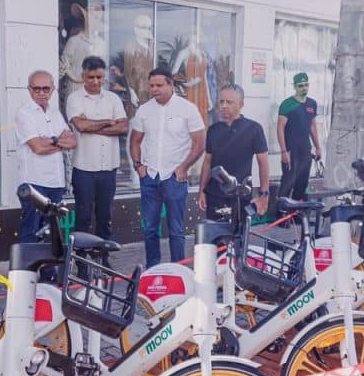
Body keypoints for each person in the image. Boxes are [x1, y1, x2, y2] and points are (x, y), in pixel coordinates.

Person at [129, 67, 205, 267]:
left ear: (171, 84)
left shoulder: (188, 108)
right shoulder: (144, 110)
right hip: (150, 177)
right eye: (152, 85)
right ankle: (153, 269)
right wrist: (139, 166)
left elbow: (199, 143)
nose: (154, 89)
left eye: (159, 85)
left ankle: (177, 270)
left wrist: (183, 168)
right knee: (150, 229)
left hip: (174, 177)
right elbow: (135, 140)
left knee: (176, 230)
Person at [66, 56, 128, 240]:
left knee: (105, 218)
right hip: (84, 169)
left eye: (99, 77)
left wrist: (93, 126)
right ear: (83, 75)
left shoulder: (113, 99)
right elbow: (81, 127)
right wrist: (109, 122)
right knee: (83, 218)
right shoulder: (74, 99)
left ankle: (103, 260)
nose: (96, 81)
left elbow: (123, 127)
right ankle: (81, 263)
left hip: (108, 168)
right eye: (91, 77)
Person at [14, 69, 76, 241]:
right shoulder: (24, 114)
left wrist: (49, 140)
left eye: (45, 89)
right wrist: (59, 141)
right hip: (34, 184)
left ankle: (49, 269)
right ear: (29, 90)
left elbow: (72, 142)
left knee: (51, 233)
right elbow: (37, 148)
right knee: (31, 231)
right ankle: (26, 269)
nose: (41, 93)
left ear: (53, 89)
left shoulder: (55, 113)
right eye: (36, 89)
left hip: (56, 183)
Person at [198, 84, 269, 219]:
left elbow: (263, 163)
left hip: (240, 194)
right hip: (214, 194)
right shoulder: (213, 130)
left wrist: (264, 194)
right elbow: (207, 162)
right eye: (221, 101)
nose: (224, 105)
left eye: (229, 102)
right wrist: (202, 191)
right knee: (213, 237)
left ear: (241, 104)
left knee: (238, 237)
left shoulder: (254, 129)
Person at [276, 71, 321, 200]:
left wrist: (318, 147)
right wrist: (283, 151)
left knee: (302, 183)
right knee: (288, 182)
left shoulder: (312, 104)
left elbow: (312, 126)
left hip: (305, 149)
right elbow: (280, 128)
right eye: (300, 85)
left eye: (306, 85)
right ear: (295, 86)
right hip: (291, 150)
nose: (304, 88)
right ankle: (281, 216)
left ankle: (297, 215)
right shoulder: (287, 104)